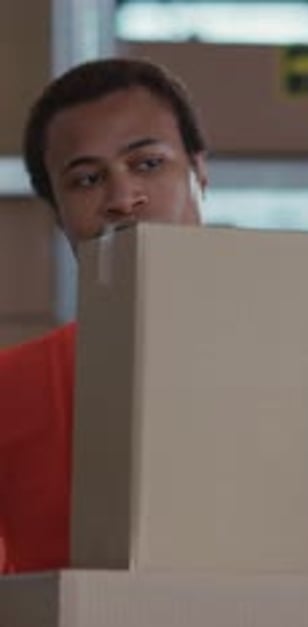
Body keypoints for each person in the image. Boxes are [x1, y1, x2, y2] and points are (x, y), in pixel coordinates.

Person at [0, 57, 208, 573]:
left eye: (148, 164)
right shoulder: (11, 389)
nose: (122, 199)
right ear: (58, 214)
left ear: (199, 171)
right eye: (87, 179)